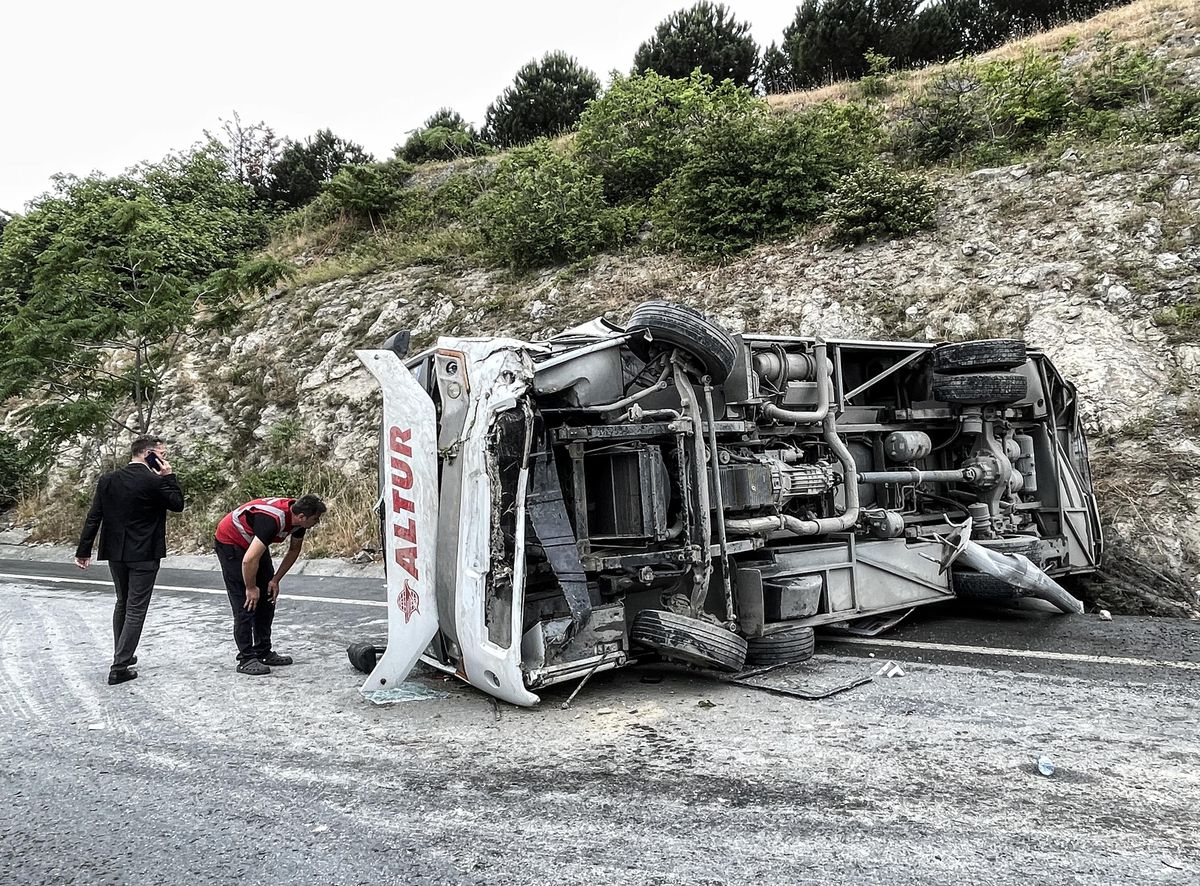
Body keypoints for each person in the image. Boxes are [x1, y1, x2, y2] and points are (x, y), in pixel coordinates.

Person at [75, 436, 186, 685]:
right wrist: (169, 476)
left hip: (115, 552)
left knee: (123, 603)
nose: (164, 458)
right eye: (161, 454)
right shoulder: (154, 481)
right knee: (136, 608)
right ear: (148, 454)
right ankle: (119, 666)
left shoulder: (108, 480)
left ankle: (122, 653)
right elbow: (177, 504)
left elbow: (94, 516)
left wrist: (84, 550)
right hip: (145, 553)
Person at [213, 494, 326, 676]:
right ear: (303, 516)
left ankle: (263, 651)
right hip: (231, 542)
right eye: (315, 519)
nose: (317, 522)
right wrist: (250, 588)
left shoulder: (298, 521)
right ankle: (246, 658)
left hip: (252, 541)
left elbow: (294, 550)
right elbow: (248, 560)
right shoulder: (272, 520)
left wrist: (275, 580)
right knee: (245, 602)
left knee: (267, 596)